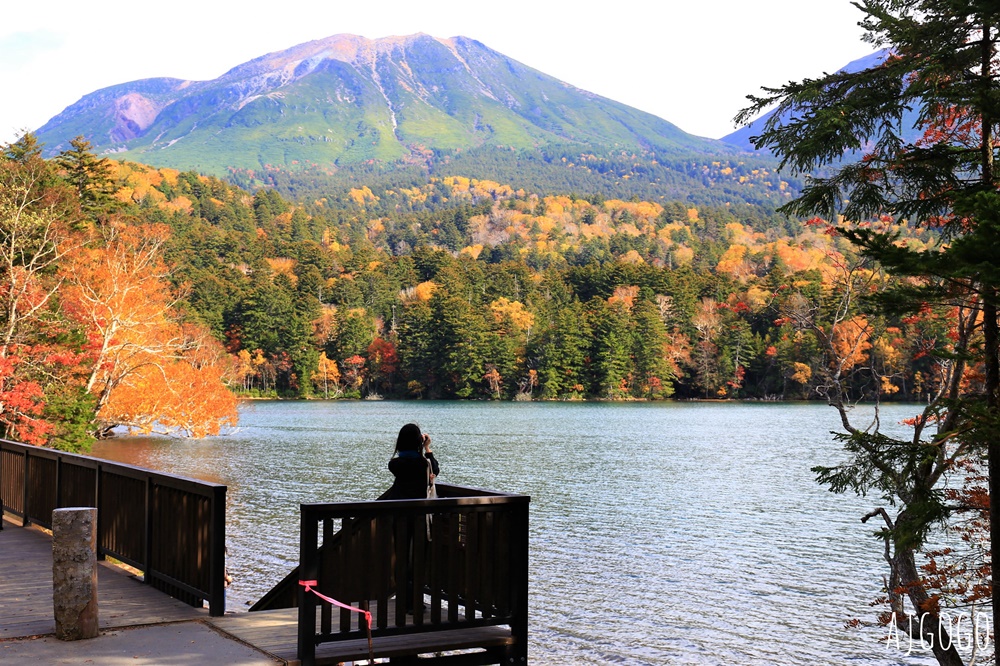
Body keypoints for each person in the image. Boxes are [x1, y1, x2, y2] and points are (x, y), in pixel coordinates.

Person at [386, 423, 439, 500]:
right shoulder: (425, 465)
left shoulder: (394, 464)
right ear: (419, 441)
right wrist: (427, 447)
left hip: (398, 508)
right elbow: (435, 470)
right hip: (419, 509)